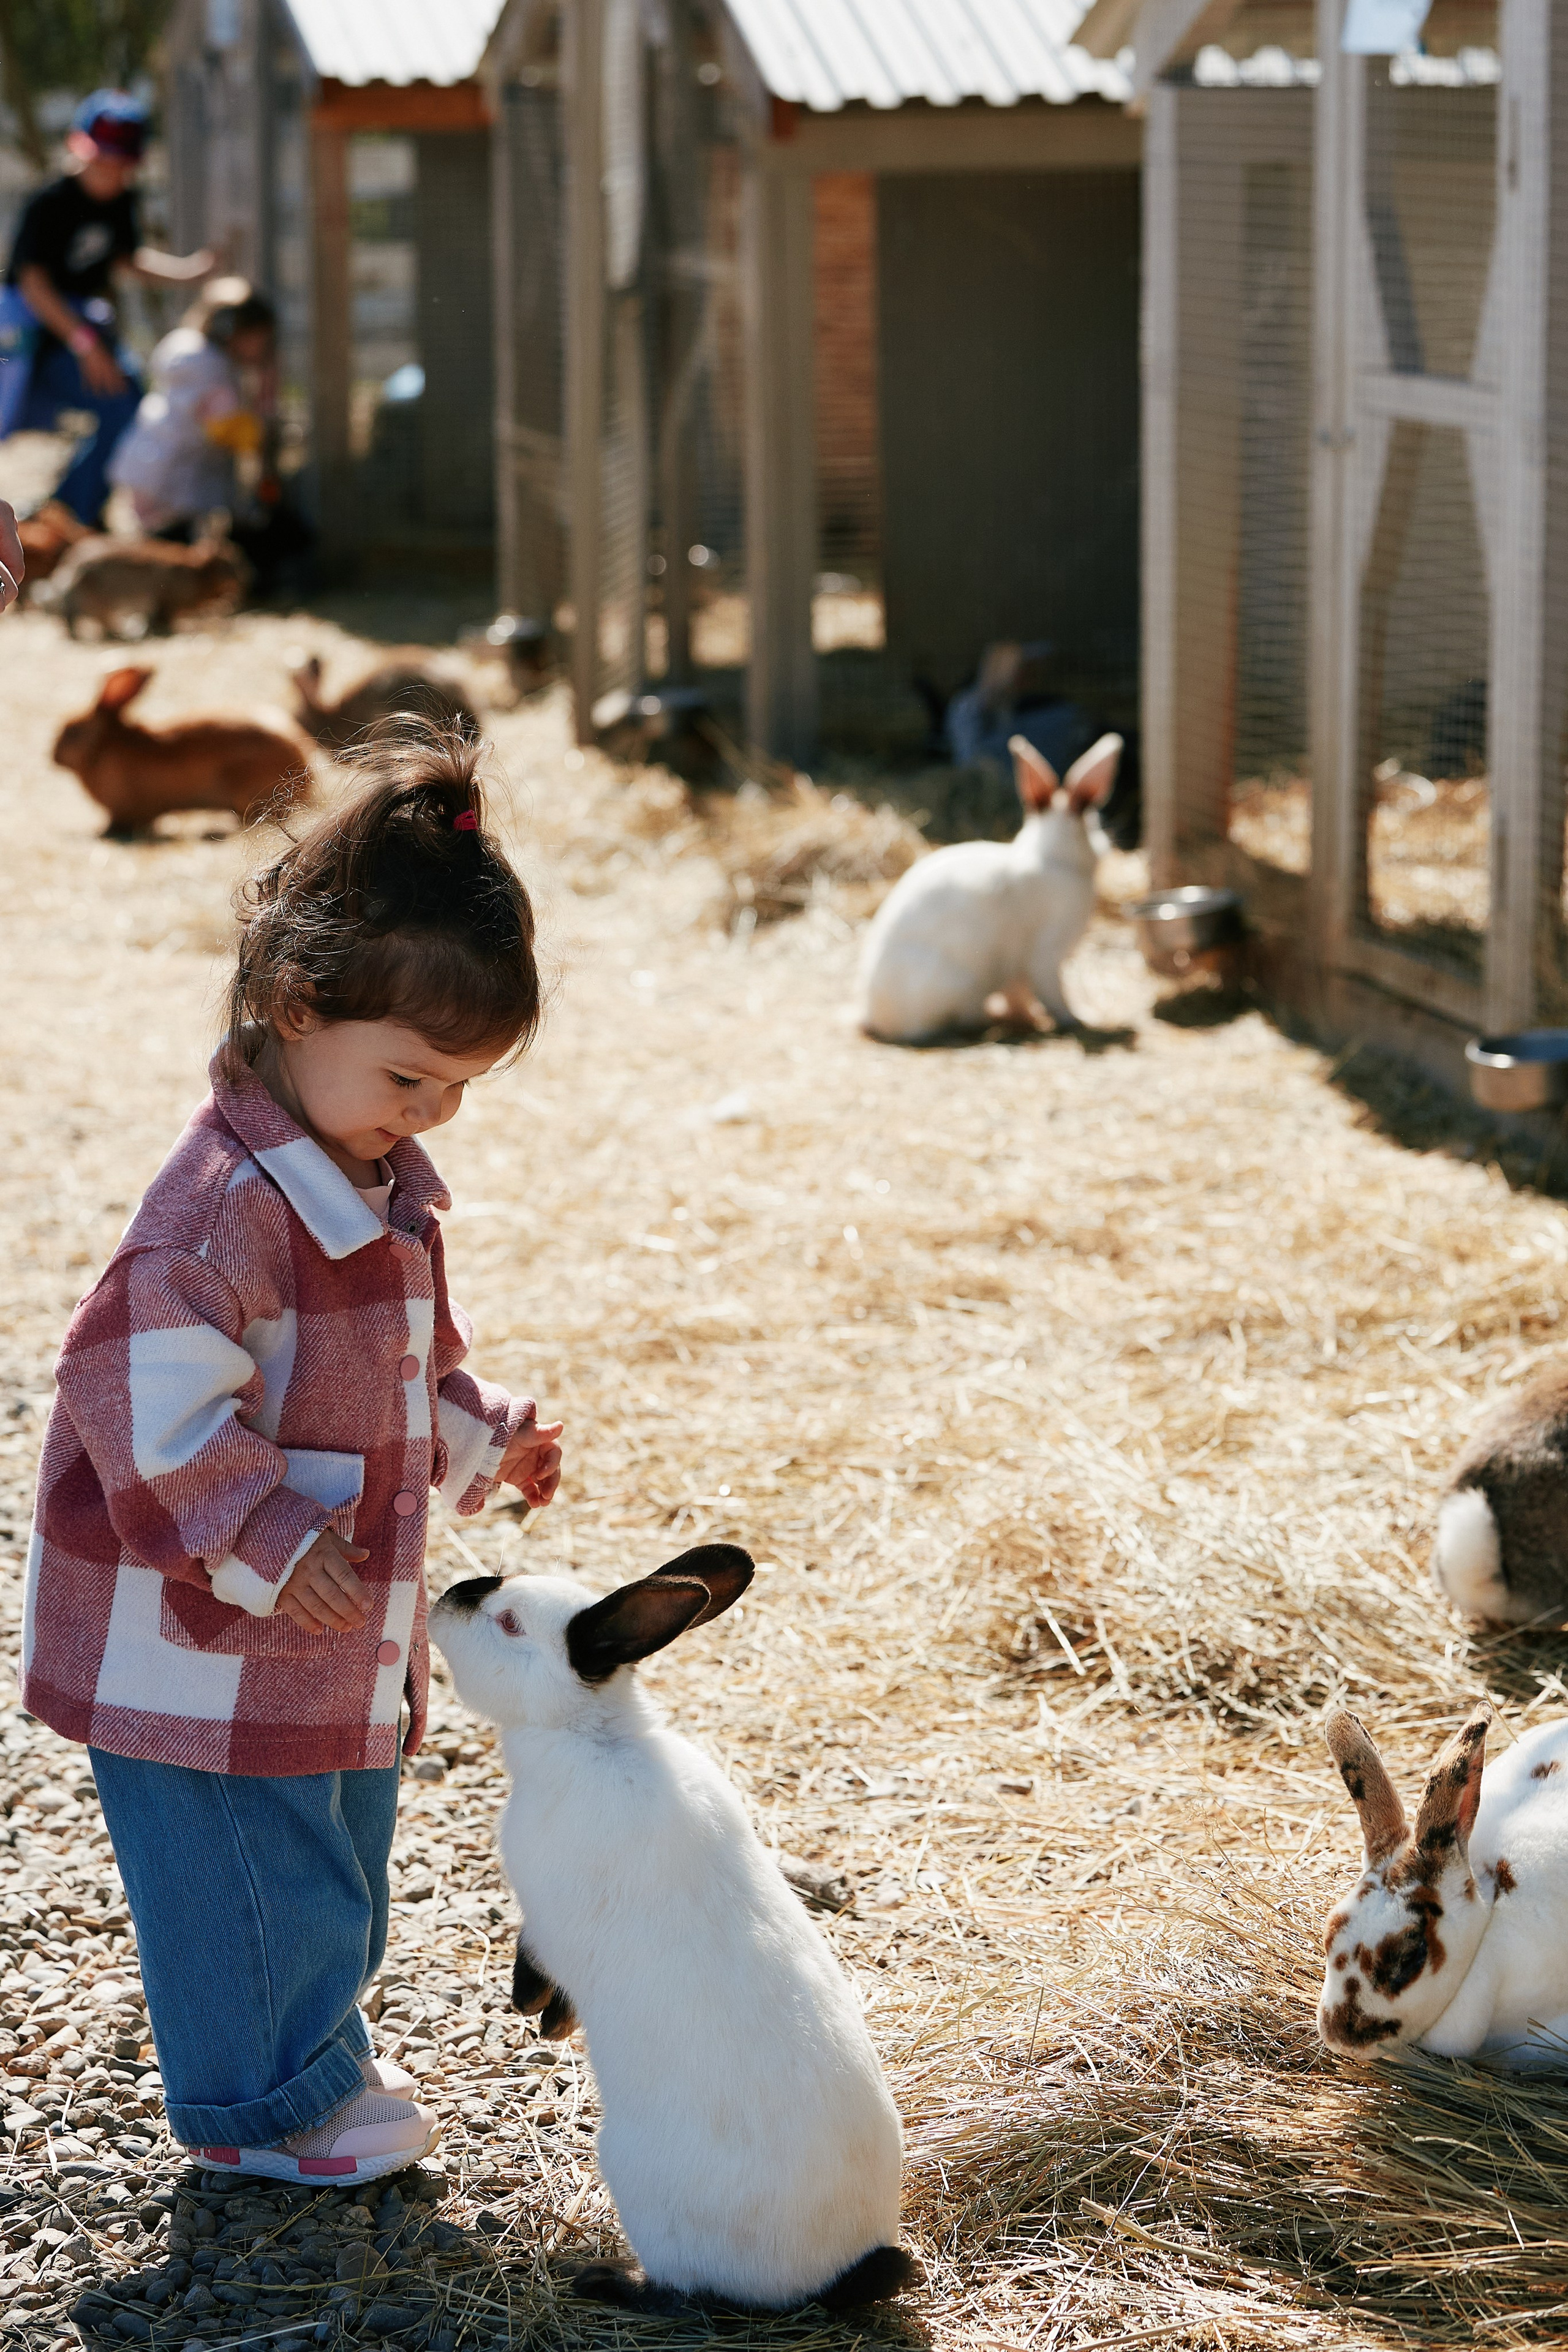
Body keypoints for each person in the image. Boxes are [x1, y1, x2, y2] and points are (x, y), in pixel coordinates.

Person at [21, 733, 566, 2187]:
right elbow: (138, 1396)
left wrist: (486, 1436)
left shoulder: (373, 1182)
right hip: (197, 1631)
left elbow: (400, 1374)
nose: (432, 1111)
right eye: (408, 1073)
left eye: (460, 1084)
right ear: (288, 1002)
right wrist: (257, 1529)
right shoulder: (219, 1216)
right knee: (245, 1875)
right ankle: (266, 2110)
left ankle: (310, 2052)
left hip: (319, 1622)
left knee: (329, 1848)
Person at [2, 90, 214, 525]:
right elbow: (33, 284)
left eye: (119, 166)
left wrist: (189, 272)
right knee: (116, 404)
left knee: (129, 404)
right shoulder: (50, 203)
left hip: (78, 330)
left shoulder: (121, 203)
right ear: (78, 150)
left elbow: (126, 259)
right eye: (101, 162)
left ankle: (65, 517)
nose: (108, 175)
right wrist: (85, 344)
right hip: (33, 336)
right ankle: (60, 522)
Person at [110, 278, 276, 533]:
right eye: (258, 339)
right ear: (231, 331)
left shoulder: (191, 349)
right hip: (172, 478)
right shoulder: (210, 369)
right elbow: (227, 426)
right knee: (171, 549)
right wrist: (260, 429)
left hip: (152, 465)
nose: (263, 348)